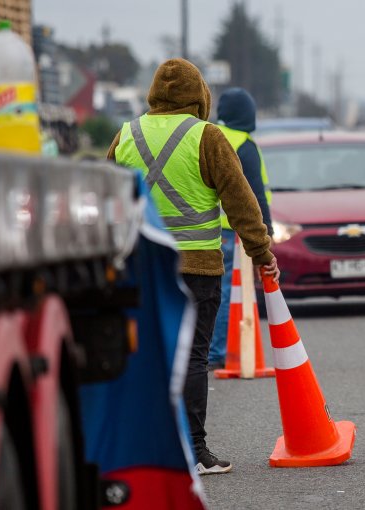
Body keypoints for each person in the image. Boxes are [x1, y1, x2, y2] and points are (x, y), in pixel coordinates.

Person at [106, 58, 279, 476]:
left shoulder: (125, 134)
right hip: (198, 266)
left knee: (147, 356)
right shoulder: (207, 136)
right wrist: (262, 254)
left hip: (143, 269)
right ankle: (194, 448)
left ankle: (146, 448)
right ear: (200, 96)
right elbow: (241, 203)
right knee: (194, 357)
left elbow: (104, 198)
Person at [208, 87, 273, 369]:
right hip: (234, 232)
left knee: (209, 292)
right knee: (226, 294)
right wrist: (265, 232)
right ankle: (216, 352)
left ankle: (203, 349)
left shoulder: (209, 136)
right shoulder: (245, 145)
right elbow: (255, 195)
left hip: (206, 228)